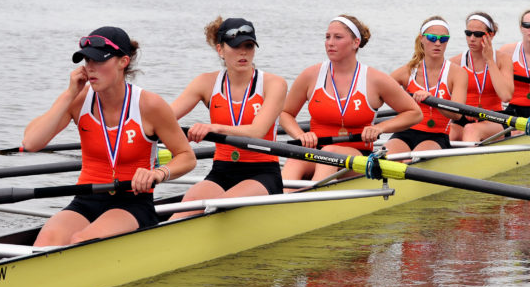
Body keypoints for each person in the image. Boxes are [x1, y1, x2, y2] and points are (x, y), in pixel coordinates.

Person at [23, 26, 195, 246]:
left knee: (82, 240)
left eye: (99, 61)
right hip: (86, 198)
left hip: (132, 203)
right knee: (45, 242)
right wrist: (69, 95)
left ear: (123, 62)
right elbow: (31, 143)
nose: (90, 68)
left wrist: (158, 174)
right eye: (87, 61)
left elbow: (186, 157)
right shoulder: (79, 99)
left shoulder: (149, 105)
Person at [279, 15, 422, 185]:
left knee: (330, 152)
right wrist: (300, 135)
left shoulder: (375, 79)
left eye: (338, 37)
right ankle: (280, 199)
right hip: (316, 151)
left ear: (355, 42)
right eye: (327, 37)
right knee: (295, 158)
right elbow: (285, 113)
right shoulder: (311, 75)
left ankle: (308, 202)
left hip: (357, 157)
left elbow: (414, 113)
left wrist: (379, 128)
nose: (330, 43)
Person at [168, 17, 288, 219]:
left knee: (222, 209)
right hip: (221, 171)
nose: (243, 52)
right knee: (182, 210)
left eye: (248, 46)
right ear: (220, 50)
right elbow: (164, 119)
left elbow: (257, 131)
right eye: (235, 46)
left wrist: (215, 128)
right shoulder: (205, 83)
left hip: (262, 173)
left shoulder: (273, 84)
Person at [385, 16, 468, 154]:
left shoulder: (457, 73)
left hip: (437, 136)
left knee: (416, 158)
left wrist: (433, 100)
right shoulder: (408, 71)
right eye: (431, 38)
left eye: (443, 39)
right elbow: (377, 93)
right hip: (405, 132)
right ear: (422, 38)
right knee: (385, 158)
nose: (437, 43)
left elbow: (457, 115)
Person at [448, 11, 514, 142]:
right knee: (446, 133)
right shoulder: (455, 63)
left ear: (491, 35)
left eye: (478, 34)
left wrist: (489, 60)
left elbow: (506, 96)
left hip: (494, 119)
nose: (472, 38)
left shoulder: (502, 60)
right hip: (463, 118)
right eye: (468, 33)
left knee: (471, 130)